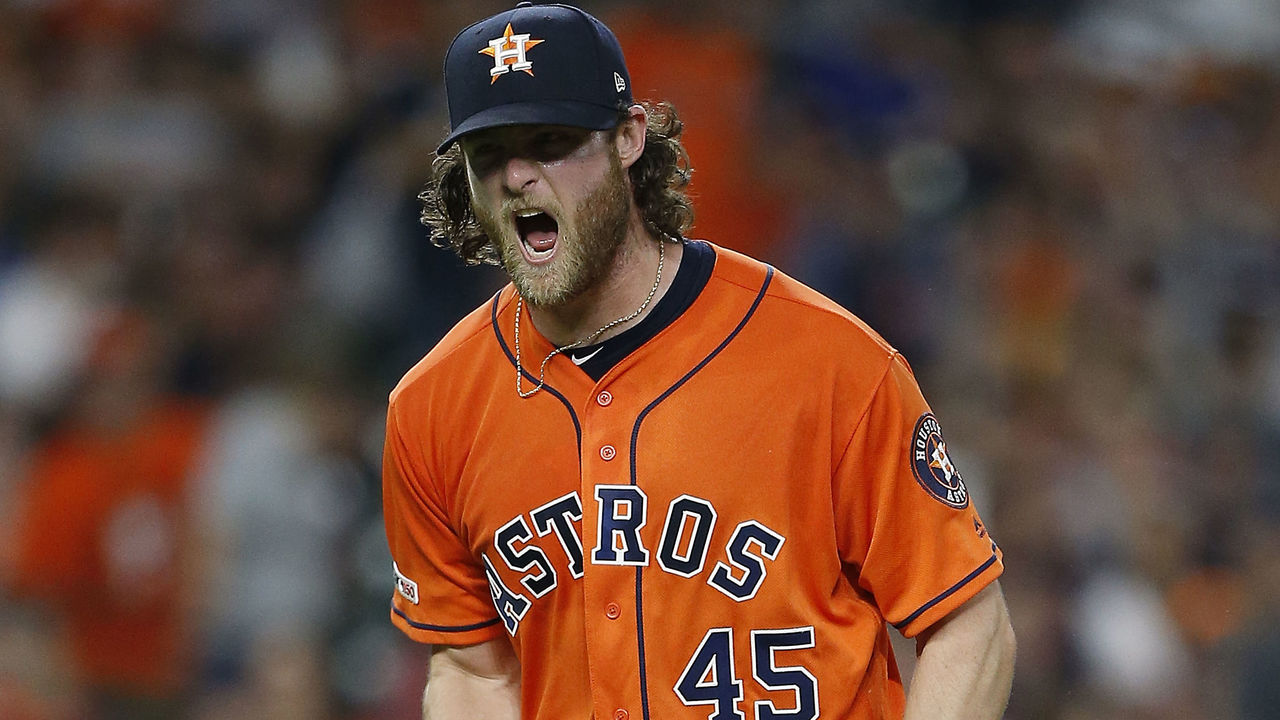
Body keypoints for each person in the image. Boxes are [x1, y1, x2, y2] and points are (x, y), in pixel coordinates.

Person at [382, 3, 1015, 719]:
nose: (518, 176)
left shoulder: (828, 360)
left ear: (628, 139)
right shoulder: (432, 405)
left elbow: (966, 622)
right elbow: (471, 667)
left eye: (551, 141)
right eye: (489, 153)